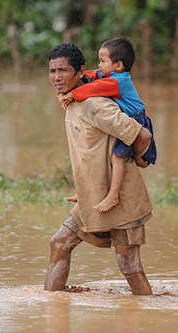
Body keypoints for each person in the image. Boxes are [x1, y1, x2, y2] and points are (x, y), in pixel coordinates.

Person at [44, 43, 153, 295]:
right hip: (93, 199)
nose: (57, 78)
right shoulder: (72, 101)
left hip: (123, 199)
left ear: (81, 71)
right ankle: (51, 309)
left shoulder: (96, 105)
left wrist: (138, 159)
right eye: (52, 71)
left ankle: (148, 314)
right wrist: (84, 189)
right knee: (59, 244)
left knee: (129, 266)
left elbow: (142, 134)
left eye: (63, 70)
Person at [58, 37, 156, 213]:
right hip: (127, 118)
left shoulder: (117, 82)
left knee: (116, 157)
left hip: (136, 120)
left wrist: (72, 95)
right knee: (100, 157)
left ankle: (113, 195)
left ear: (118, 65)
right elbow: (92, 74)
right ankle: (87, 192)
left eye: (103, 61)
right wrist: (74, 74)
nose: (99, 64)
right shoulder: (110, 74)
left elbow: (93, 89)